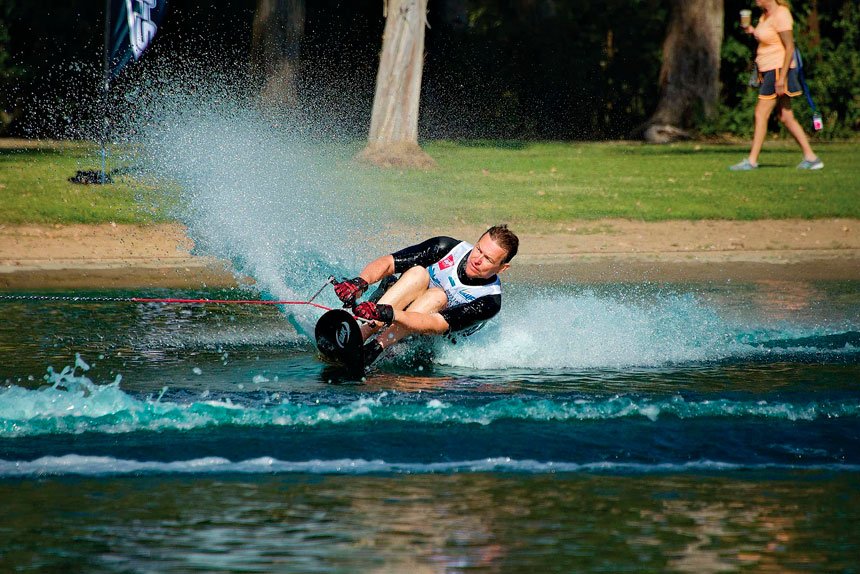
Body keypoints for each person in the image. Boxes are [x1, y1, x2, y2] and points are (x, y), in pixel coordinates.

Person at [331, 224, 519, 365]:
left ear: (502, 268)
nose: (477, 260)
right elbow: (389, 263)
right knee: (418, 273)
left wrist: (389, 313)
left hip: (425, 335)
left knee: (437, 296)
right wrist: (360, 282)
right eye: (478, 249)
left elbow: (436, 325)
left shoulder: (489, 301)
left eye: (488, 259)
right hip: (392, 306)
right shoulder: (445, 247)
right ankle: (361, 333)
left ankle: (375, 348)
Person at [730, 0, 823, 171]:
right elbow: (769, 39)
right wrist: (751, 30)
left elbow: (789, 47)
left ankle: (751, 160)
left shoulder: (781, 14)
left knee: (760, 113)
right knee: (786, 117)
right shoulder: (765, 16)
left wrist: (781, 79)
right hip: (768, 69)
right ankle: (811, 157)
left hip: (778, 69)